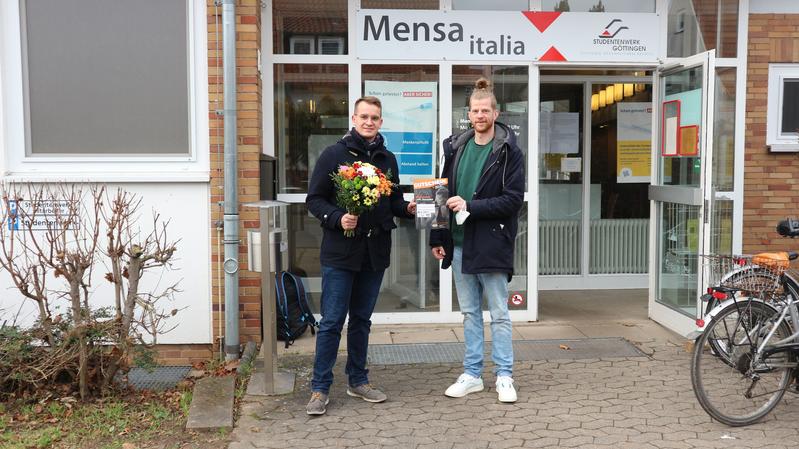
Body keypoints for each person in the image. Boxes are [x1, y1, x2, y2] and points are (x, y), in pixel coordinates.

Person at [305, 96, 416, 415]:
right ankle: (319, 388)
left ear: (381, 122)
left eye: (375, 118)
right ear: (354, 118)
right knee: (331, 322)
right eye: (364, 116)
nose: (369, 122)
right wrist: (337, 217)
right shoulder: (334, 155)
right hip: (340, 253)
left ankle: (358, 380)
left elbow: (393, 202)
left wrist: (409, 209)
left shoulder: (387, 158)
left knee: (362, 321)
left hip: (374, 252)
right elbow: (314, 200)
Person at [430, 78, 525, 403]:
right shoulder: (455, 147)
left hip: (491, 241)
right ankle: (472, 375)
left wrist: (471, 206)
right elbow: (442, 193)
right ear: (468, 115)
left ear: (495, 113)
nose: (480, 115)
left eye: (486, 110)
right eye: (475, 110)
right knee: (470, 313)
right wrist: (438, 234)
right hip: (458, 243)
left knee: (499, 312)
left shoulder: (509, 151)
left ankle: (504, 376)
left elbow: (513, 200)